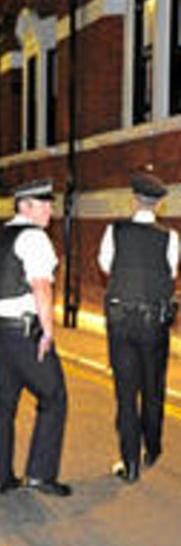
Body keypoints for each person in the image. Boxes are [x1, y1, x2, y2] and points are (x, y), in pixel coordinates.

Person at [0, 178, 71, 498]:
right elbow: (41, 286)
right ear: (25, 206)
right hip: (22, 331)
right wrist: (48, 331)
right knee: (54, 396)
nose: (50, 211)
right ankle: (39, 474)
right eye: (44, 205)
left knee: (4, 402)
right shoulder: (34, 238)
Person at [99, 171, 179, 483]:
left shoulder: (114, 231)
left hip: (121, 322)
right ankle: (153, 448)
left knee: (126, 392)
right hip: (153, 323)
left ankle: (129, 463)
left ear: (134, 199)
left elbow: (106, 265)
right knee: (153, 387)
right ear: (158, 204)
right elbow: (170, 273)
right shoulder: (169, 237)